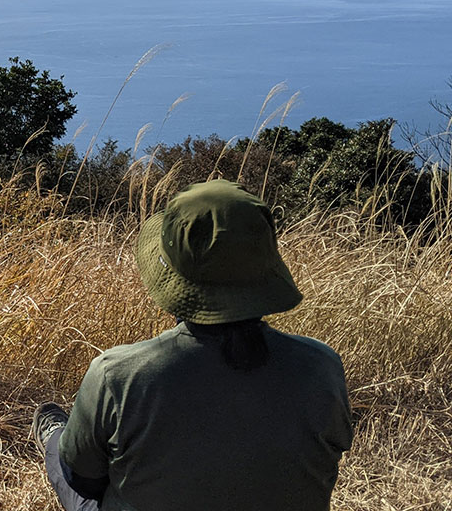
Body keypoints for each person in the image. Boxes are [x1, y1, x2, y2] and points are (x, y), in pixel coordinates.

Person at [31, 179, 353, 511]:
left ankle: (52, 428)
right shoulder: (322, 367)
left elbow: (82, 477)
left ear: (175, 281)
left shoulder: (118, 376)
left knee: (61, 451)